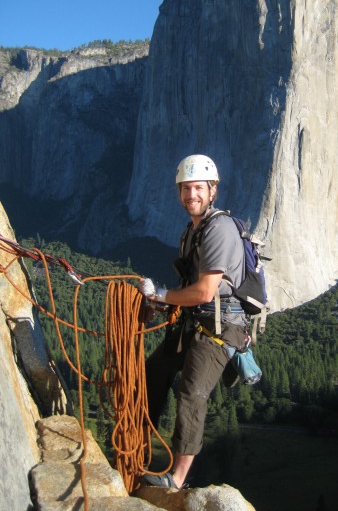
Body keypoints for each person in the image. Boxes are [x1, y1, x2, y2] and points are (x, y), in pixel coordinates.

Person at [140, 154, 247, 489]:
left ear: (212, 191)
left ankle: (177, 478)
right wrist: (162, 304)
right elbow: (191, 289)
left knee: (191, 393)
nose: (191, 195)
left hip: (221, 327)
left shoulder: (219, 229)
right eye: (186, 189)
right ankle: (137, 446)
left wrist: (159, 294)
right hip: (196, 321)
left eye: (198, 188)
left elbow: (203, 292)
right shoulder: (192, 231)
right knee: (154, 370)